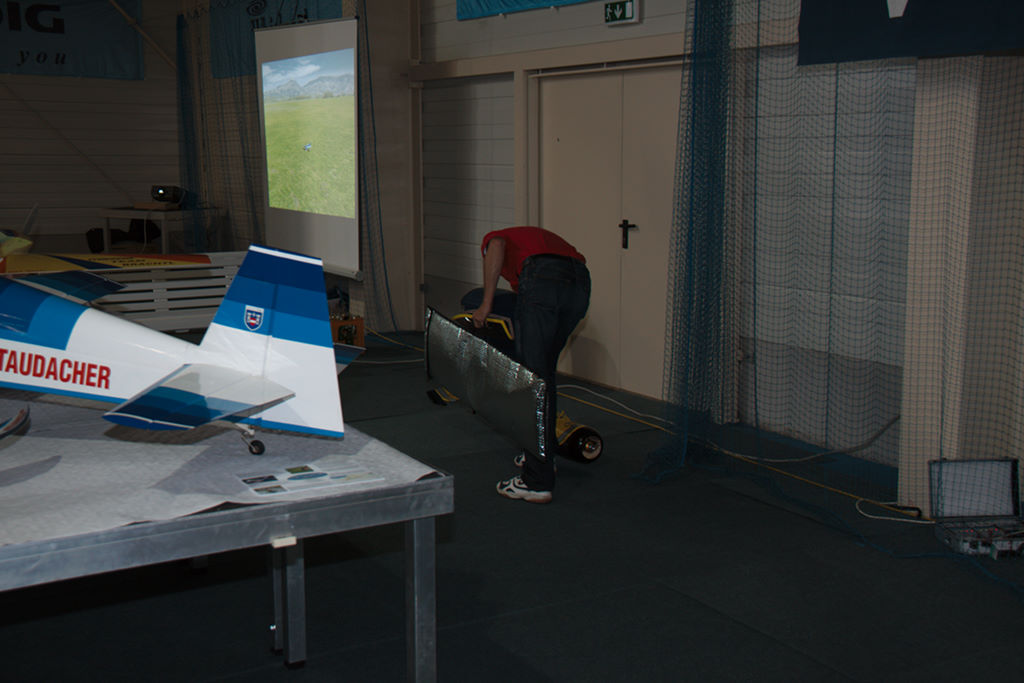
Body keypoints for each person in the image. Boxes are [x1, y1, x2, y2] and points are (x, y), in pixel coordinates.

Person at [471, 226, 591, 503]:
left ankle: (536, 481)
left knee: (531, 381)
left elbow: (496, 245)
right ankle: (542, 453)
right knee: (544, 375)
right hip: (579, 284)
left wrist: (485, 304)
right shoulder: (537, 239)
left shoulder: (496, 238)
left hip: (542, 276)